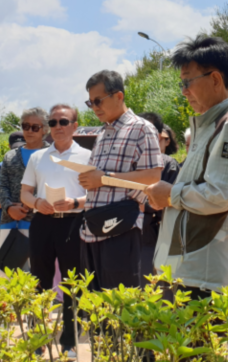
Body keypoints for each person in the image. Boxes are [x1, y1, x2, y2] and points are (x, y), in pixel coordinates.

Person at [147, 36, 228, 297]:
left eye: (188, 82)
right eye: (182, 84)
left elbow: (222, 193)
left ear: (215, 79)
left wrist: (170, 194)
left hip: (205, 276)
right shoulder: (212, 123)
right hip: (190, 271)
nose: (184, 91)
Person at [78, 70, 162, 290]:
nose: (94, 107)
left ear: (119, 96)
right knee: (94, 310)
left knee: (118, 307)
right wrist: (90, 180)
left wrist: (104, 179)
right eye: (90, 102)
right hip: (92, 228)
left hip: (121, 228)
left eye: (98, 100)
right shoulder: (102, 134)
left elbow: (153, 176)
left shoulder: (141, 128)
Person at [19, 104, 90, 357]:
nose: (57, 127)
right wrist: (37, 202)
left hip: (72, 222)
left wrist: (74, 202)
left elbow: (94, 195)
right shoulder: (38, 157)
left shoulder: (87, 157)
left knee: (72, 283)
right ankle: (38, 340)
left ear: (75, 126)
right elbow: (25, 192)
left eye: (63, 121)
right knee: (39, 280)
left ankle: (70, 342)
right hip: (42, 222)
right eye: (53, 122)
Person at [0, 109, 50, 260]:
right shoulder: (10, 156)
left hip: (42, 221)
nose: (29, 131)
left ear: (45, 129)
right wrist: (8, 207)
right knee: (6, 274)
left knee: (39, 273)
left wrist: (32, 203)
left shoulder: (52, 154)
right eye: (26, 126)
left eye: (35, 127)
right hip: (11, 221)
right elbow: (2, 185)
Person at [137, 112, 181, 277]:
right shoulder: (126, 163)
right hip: (128, 238)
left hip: (156, 239)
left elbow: (174, 201)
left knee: (157, 294)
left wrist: (143, 205)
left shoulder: (168, 165)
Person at [0, 132, 25, 256]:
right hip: (2, 220)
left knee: (27, 263)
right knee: (2, 260)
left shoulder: (34, 164)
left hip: (27, 219)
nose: (17, 151)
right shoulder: (0, 166)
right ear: (9, 146)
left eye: (21, 147)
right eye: (15, 148)